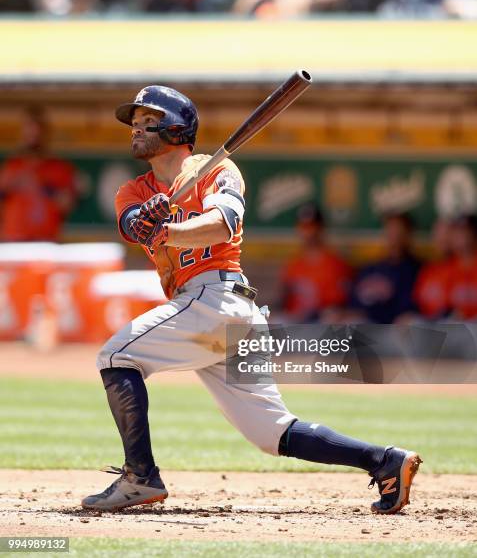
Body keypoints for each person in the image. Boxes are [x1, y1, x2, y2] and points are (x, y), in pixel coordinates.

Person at [81, 85, 421, 514]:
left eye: (147, 120)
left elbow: (224, 224)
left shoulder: (217, 171)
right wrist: (148, 219)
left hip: (217, 297)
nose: (135, 128)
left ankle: (140, 477)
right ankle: (383, 460)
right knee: (271, 433)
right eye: (134, 122)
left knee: (116, 357)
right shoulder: (134, 189)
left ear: (175, 127)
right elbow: (132, 224)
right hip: (213, 311)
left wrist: (167, 229)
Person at [0, 107, 77, 242]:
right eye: (28, 130)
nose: (33, 135)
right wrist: (11, 185)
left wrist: (43, 186)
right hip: (13, 242)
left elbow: (67, 204)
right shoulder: (11, 167)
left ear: (45, 133)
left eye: (37, 130)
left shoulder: (59, 168)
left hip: (46, 243)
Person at [280, 203, 352, 322]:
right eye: (303, 227)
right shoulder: (294, 265)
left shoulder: (335, 264)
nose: (308, 233)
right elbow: (283, 302)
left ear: (321, 228)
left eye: (311, 227)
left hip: (319, 322)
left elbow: (336, 307)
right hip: (294, 321)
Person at [347, 212, 421, 323]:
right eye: (390, 231)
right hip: (363, 323)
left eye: (399, 232)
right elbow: (352, 301)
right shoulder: (370, 269)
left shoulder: (415, 270)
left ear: (408, 235)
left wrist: (366, 313)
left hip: (391, 328)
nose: (394, 238)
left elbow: (405, 310)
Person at [413, 217, 454, 319]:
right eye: (438, 234)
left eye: (447, 234)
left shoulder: (463, 267)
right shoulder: (427, 270)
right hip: (428, 325)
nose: (442, 239)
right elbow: (417, 302)